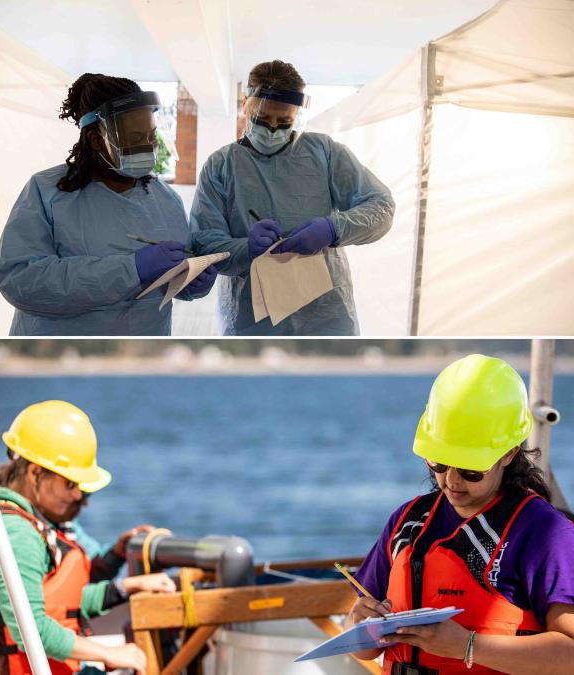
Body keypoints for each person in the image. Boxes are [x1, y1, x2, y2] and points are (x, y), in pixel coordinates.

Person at [347, 355, 574, 673]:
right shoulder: (407, 522)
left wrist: (467, 645)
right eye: (439, 462)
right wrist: (361, 625)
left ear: (508, 453)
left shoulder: (544, 533)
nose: (451, 480)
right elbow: (364, 645)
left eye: (470, 469)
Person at [0, 73, 218, 336]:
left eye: (151, 136)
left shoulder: (166, 200)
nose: (147, 147)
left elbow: (173, 275)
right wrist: (131, 270)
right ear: (96, 139)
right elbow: (20, 279)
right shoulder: (47, 192)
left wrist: (191, 281)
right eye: (134, 139)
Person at [189, 60, 394, 335]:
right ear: (244, 102)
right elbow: (205, 242)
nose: (272, 129)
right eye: (262, 120)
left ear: (297, 114)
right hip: (252, 318)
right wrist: (245, 248)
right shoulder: (221, 165)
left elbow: (381, 207)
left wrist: (334, 229)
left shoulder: (324, 153)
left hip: (326, 314)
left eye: (284, 122)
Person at [0, 400, 175, 674]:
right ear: (35, 473)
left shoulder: (16, 520)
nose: (79, 496)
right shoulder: (18, 534)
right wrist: (110, 653)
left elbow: (58, 604)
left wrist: (126, 587)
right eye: (70, 483)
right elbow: (30, 629)